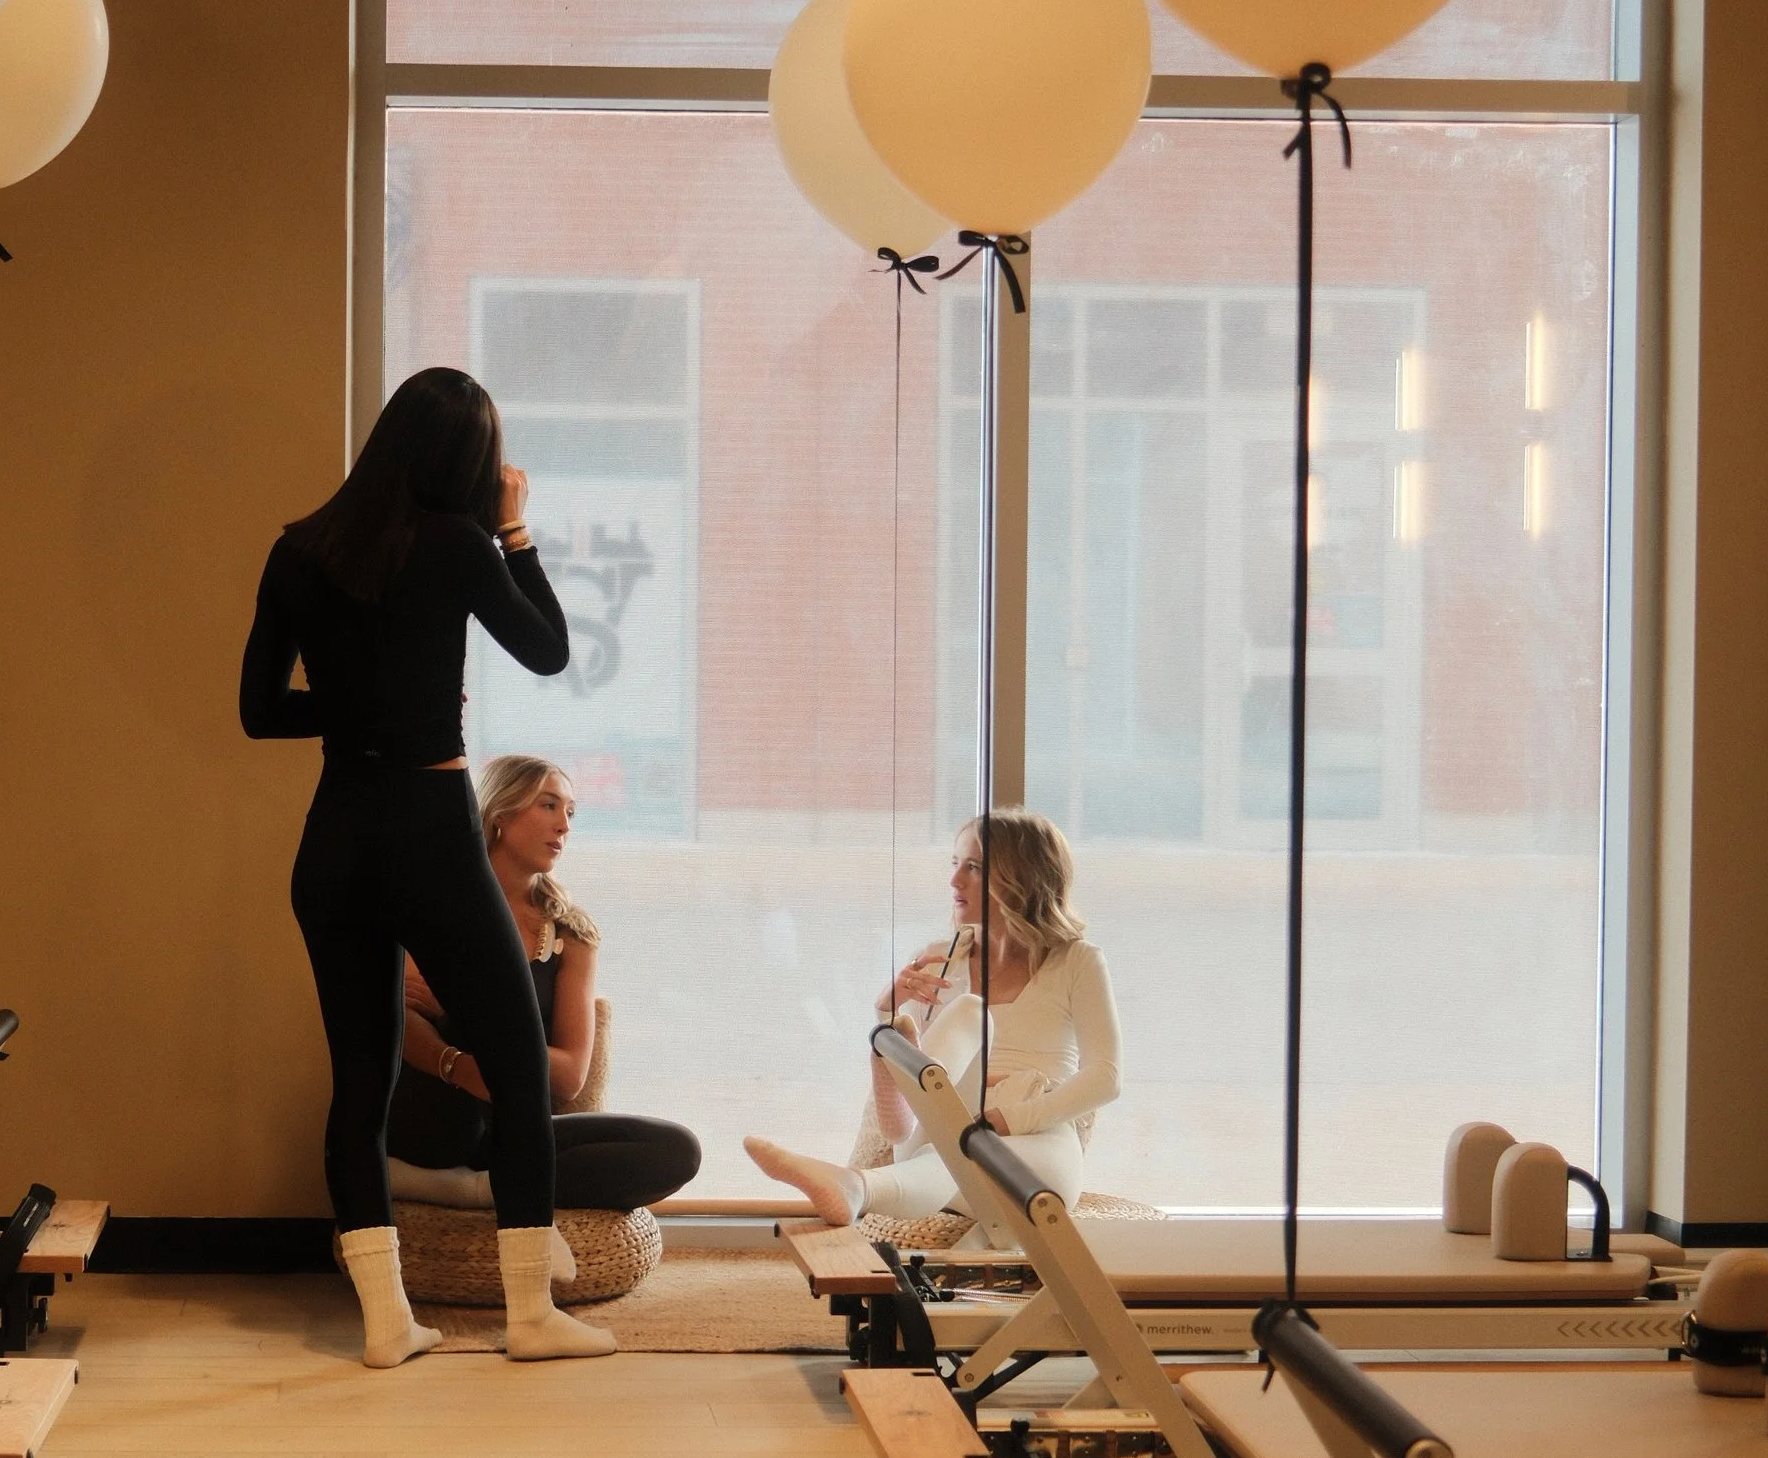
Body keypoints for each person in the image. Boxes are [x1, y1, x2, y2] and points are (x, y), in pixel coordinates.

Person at [239, 366, 614, 1369]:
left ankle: (384, 1322)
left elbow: (259, 711)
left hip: (335, 839)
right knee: (517, 1072)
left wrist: (358, 708)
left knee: (357, 1088)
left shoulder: (298, 550)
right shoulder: (457, 545)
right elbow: (545, 650)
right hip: (428, 833)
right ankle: (532, 1319)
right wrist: (516, 531)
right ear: (474, 467)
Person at [745, 808, 1120, 1229]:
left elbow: (1105, 1076)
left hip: (1035, 1134)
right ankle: (898, 1078)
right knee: (967, 1013)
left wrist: (1010, 1119)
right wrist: (887, 1010)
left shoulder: (1076, 961)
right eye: (954, 864)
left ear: (1023, 878)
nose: (954, 881)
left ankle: (856, 1187)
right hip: (939, 1120)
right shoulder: (941, 960)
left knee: (957, 1161)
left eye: (974, 867)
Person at [388, 755, 703, 1217]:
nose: (565, 826)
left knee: (676, 1149)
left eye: (570, 812)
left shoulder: (570, 934)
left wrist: (461, 1012)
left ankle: (473, 1190)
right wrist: (457, 1066)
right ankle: (493, 1182)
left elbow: (571, 1074)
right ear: (501, 812)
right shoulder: (433, 907)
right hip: (437, 1111)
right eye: (549, 806)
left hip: (517, 1125)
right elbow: (398, 1021)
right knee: (453, 1112)